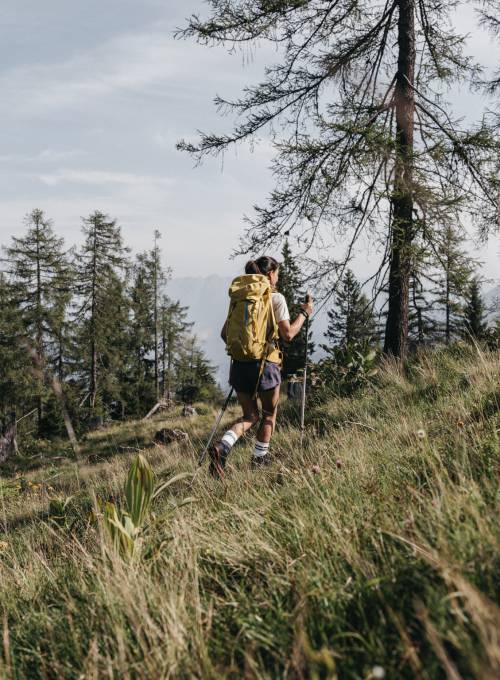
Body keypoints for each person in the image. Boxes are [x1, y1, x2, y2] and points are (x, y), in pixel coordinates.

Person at [209, 255, 313, 478]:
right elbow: (288, 334)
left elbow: (224, 334)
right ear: (269, 274)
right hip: (266, 365)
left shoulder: (239, 298)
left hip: (239, 365)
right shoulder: (275, 298)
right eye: (277, 273)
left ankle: (222, 447)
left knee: (249, 416)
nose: (277, 278)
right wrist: (304, 313)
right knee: (268, 416)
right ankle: (259, 461)